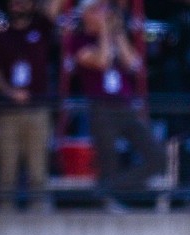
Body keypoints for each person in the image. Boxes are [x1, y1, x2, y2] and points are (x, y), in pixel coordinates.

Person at [68, 0, 165, 212]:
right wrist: (103, 32)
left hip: (125, 105)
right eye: (96, 10)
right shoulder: (78, 40)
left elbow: (134, 64)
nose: (103, 14)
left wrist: (118, 33)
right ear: (85, 14)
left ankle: (110, 189)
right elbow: (101, 61)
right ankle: (108, 195)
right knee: (108, 159)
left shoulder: (115, 36)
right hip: (101, 106)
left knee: (157, 157)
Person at [0, 0, 57, 211]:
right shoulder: (1, 37)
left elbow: (54, 9)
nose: (18, 3)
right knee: (6, 168)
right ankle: (4, 214)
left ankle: (38, 216)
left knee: (38, 168)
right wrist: (10, 92)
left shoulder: (42, 29)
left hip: (37, 109)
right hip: (8, 111)